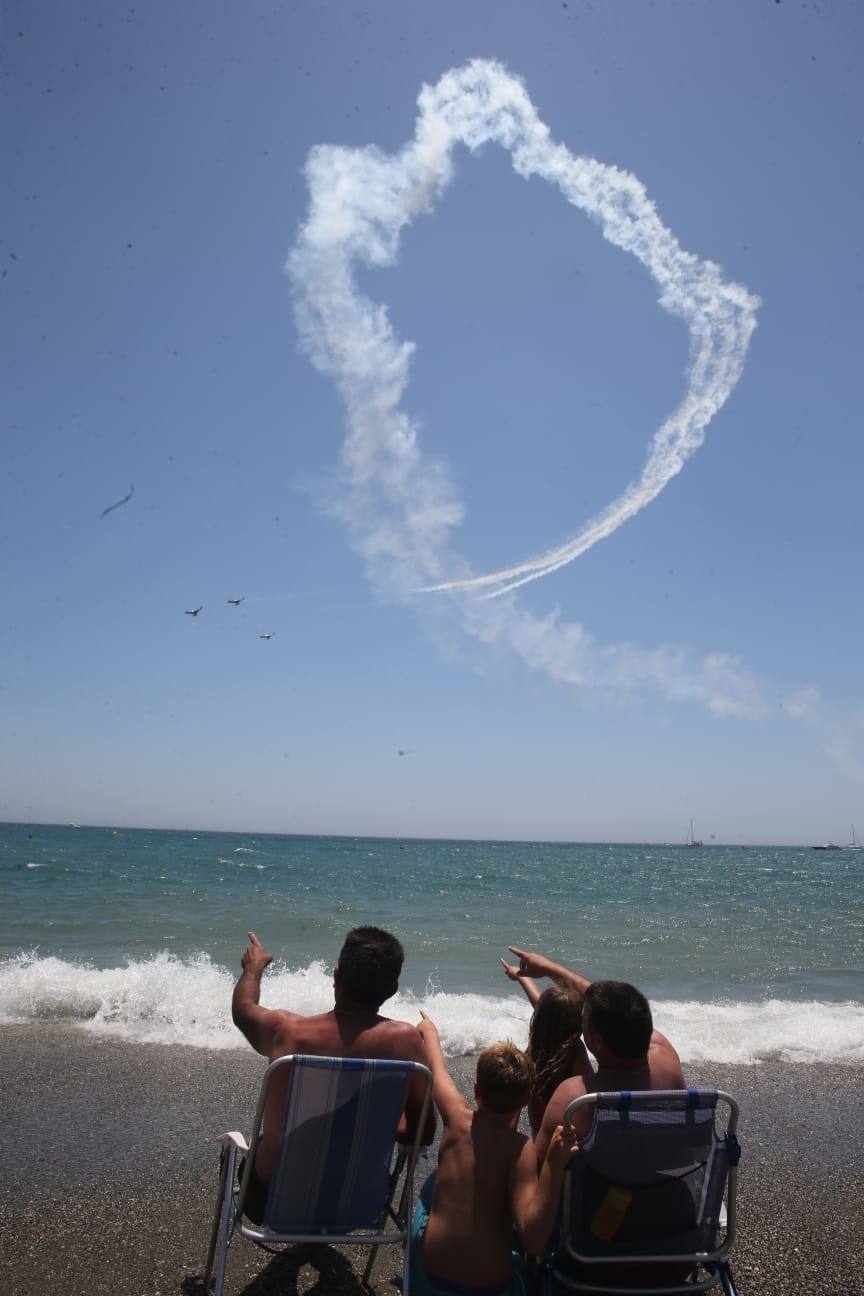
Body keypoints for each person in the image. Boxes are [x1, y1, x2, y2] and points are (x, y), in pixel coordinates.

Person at [231, 926, 436, 1220]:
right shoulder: (407, 1042)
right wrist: (371, 1123)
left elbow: (242, 1008)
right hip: (360, 1204)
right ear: (392, 990)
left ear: (336, 975)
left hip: (272, 1201)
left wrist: (253, 968)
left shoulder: (287, 1032)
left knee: (259, 1150)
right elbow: (423, 1134)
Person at [412, 1010, 577, 1296]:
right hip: (492, 1290)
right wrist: (553, 1163)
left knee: (430, 1192)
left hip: (429, 1283)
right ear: (527, 1097)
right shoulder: (520, 1148)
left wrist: (430, 1031)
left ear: (476, 1090)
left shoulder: (456, 1118)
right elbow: (533, 1240)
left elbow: (437, 1069)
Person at [506, 946, 684, 1162]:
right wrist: (548, 968)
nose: (580, 1020)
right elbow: (617, 1011)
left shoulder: (578, 1097)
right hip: (666, 1184)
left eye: (583, 1018)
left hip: (603, 1190)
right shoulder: (665, 1055)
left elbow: (539, 1165)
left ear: (597, 1041)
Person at [499, 957, 594, 1137]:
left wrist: (520, 976)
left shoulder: (535, 1047)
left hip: (540, 1135)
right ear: (578, 1023)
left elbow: (544, 1009)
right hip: (568, 1139)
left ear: (539, 1017)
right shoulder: (575, 1050)